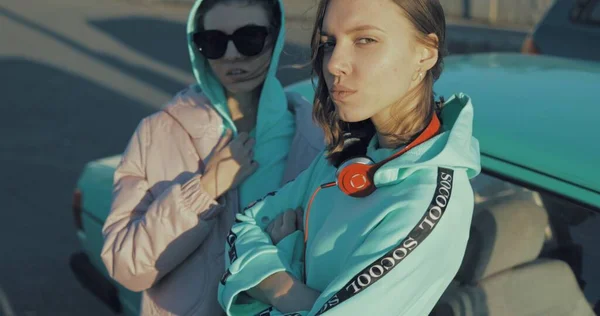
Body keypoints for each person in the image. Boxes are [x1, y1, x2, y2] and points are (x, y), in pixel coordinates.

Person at [217, 0, 481, 315]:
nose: (333, 64)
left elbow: (241, 262)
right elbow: (243, 226)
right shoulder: (349, 156)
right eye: (330, 43)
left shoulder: (425, 200)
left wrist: (280, 266)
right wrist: (281, 286)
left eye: (365, 40)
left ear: (425, 53)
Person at [100, 0, 323, 315]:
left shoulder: (317, 135)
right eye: (214, 42)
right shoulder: (157, 133)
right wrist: (203, 191)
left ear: (275, 37)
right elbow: (127, 267)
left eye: (249, 39)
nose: (232, 55)